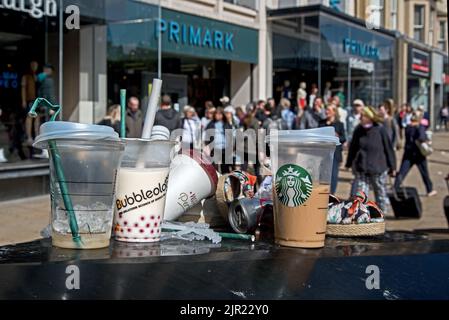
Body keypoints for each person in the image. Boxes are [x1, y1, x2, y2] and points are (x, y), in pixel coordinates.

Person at [345, 106, 396, 214]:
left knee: (380, 192)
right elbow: (353, 148)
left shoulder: (380, 129)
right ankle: (362, 214)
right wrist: (348, 163)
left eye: (363, 116)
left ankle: (381, 214)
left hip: (378, 168)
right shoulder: (358, 130)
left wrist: (393, 166)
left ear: (369, 117)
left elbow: (388, 149)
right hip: (362, 167)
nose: (360, 118)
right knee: (361, 193)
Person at [394, 112, 437, 197]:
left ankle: (395, 186)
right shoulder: (420, 127)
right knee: (424, 173)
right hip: (419, 154)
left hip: (408, 153)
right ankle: (430, 190)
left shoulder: (408, 127)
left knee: (403, 171)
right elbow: (422, 137)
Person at [319, 103, 346, 194]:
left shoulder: (339, 124)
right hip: (323, 153)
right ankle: (322, 194)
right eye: (326, 110)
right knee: (322, 175)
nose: (327, 112)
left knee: (333, 175)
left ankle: (332, 195)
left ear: (334, 112)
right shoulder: (321, 123)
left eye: (329, 110)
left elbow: (343, 138)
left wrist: (337, 137)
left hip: (335, 153)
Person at [205, 107, 232, 173]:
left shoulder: (226, 124)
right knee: (214, 167)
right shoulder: (211, 124)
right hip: (215, 148)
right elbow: (207, 136)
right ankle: (216, 182)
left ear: (223, 115)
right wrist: (207, 146)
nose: (218, 115)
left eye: (220, 114)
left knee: (225, 167)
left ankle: (225, 182)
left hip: (225, 148)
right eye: (216, 114)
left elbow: (230, 136)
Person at [21, 61, 38, 146]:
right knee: (29, 117)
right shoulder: (26, 76)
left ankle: (36, 135)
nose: (34, 67)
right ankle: (29, 136)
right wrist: (23, 100)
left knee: (37, 118)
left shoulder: (37, 76)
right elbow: (23, 89)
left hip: (37, 100)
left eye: (36, 65)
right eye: (33, 65)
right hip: (29, 100)